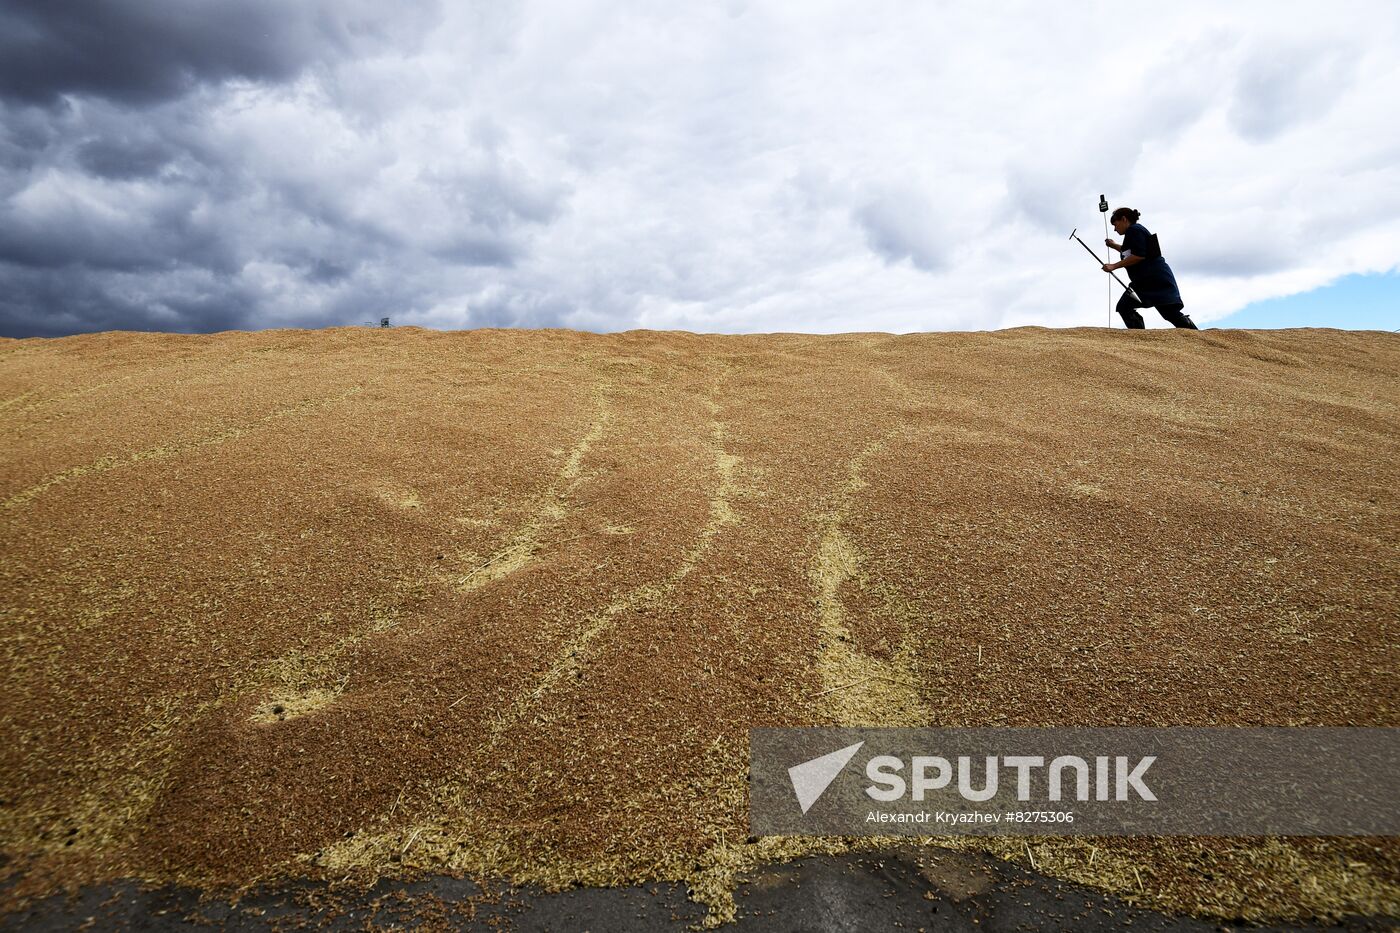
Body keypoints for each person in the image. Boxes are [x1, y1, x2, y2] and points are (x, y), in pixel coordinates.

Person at [1103, 208, 1197, 330]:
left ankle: (1139, 337)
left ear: (1124, 219)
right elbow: (1131, 251)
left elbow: (1139, 255)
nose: (1115, 229)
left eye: (1115, 225)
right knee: (1169, 312)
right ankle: (1197, 335)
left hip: (1153, 281)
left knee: (1125, 306)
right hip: (1152, 280)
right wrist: (1114, 245)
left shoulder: (1134, 230)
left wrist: (1114, 266)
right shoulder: (1136, 230)